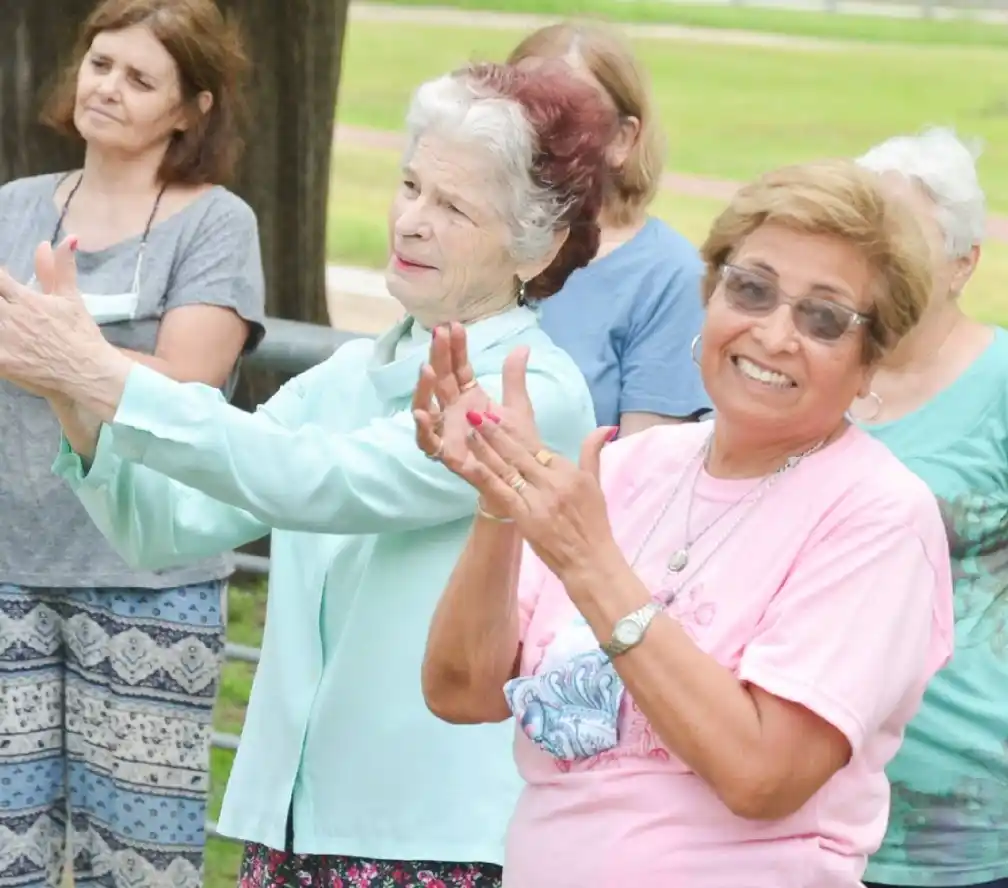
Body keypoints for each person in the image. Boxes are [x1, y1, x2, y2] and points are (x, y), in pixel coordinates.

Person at [0, 61, 613, 888]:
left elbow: (311, 479)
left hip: (433, 834)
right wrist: (76, 396)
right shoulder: (352, 373)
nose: (412, 222)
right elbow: (165, 525)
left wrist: (104, 374)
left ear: (534, 244)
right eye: (409, 186)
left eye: (454, 206)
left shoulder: (532, 387)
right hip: (294, 820)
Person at [414, 159, 957, 888]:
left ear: (868, 363)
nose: (773, 334)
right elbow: (460, 692)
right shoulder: (632, 468)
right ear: (710, 297)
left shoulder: (878, 517)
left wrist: (591, 564)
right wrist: (499, 497)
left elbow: (760, 778)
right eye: (751, 289)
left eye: (822, 317)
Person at [0, 2, 264, 887]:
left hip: (151, 580)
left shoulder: (215, 223)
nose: (106, 86)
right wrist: (79, 362)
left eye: (139, 77)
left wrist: (53, 352)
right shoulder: (14, 208)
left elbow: (186, 389)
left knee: (139, 869)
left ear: (192, 109)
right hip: (7, 566)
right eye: (100, 63)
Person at [853, 129, 1008, 888]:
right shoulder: (813, 374)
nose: (878, 259)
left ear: (964, 264)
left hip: (976, 827)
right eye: (862, 235)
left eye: (905, 240)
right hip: (805, 810)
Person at [507, 22, 710, 434]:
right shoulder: (484, 240)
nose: (539, 132)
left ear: (623, 138)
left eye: (568, 113)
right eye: (519, 109)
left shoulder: (669, 277)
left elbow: (644, 472)